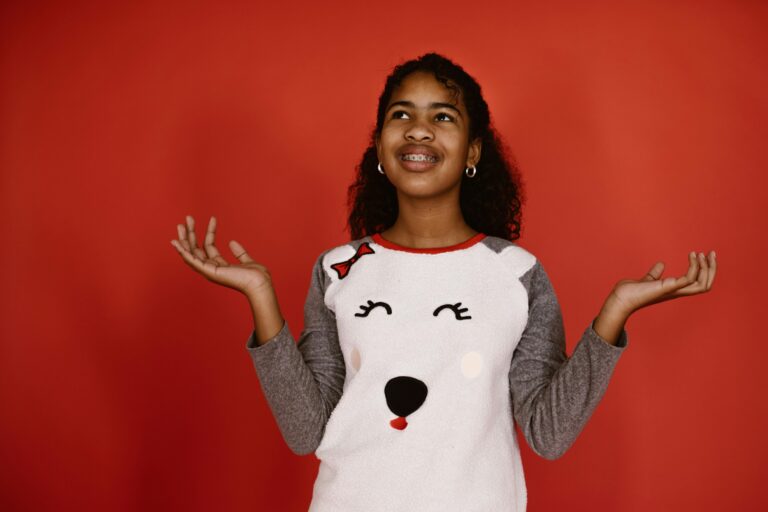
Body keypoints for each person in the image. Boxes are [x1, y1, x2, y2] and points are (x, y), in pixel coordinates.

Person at [170, 53, 716, 511]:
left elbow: (548, 434)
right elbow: (305, 429)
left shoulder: (516, 274)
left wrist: (612, 317)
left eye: (444, 116)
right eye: (400, 114)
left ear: (473, 151)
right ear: (381, 146)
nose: (419, 129)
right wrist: (261, 299)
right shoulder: (339, 268)